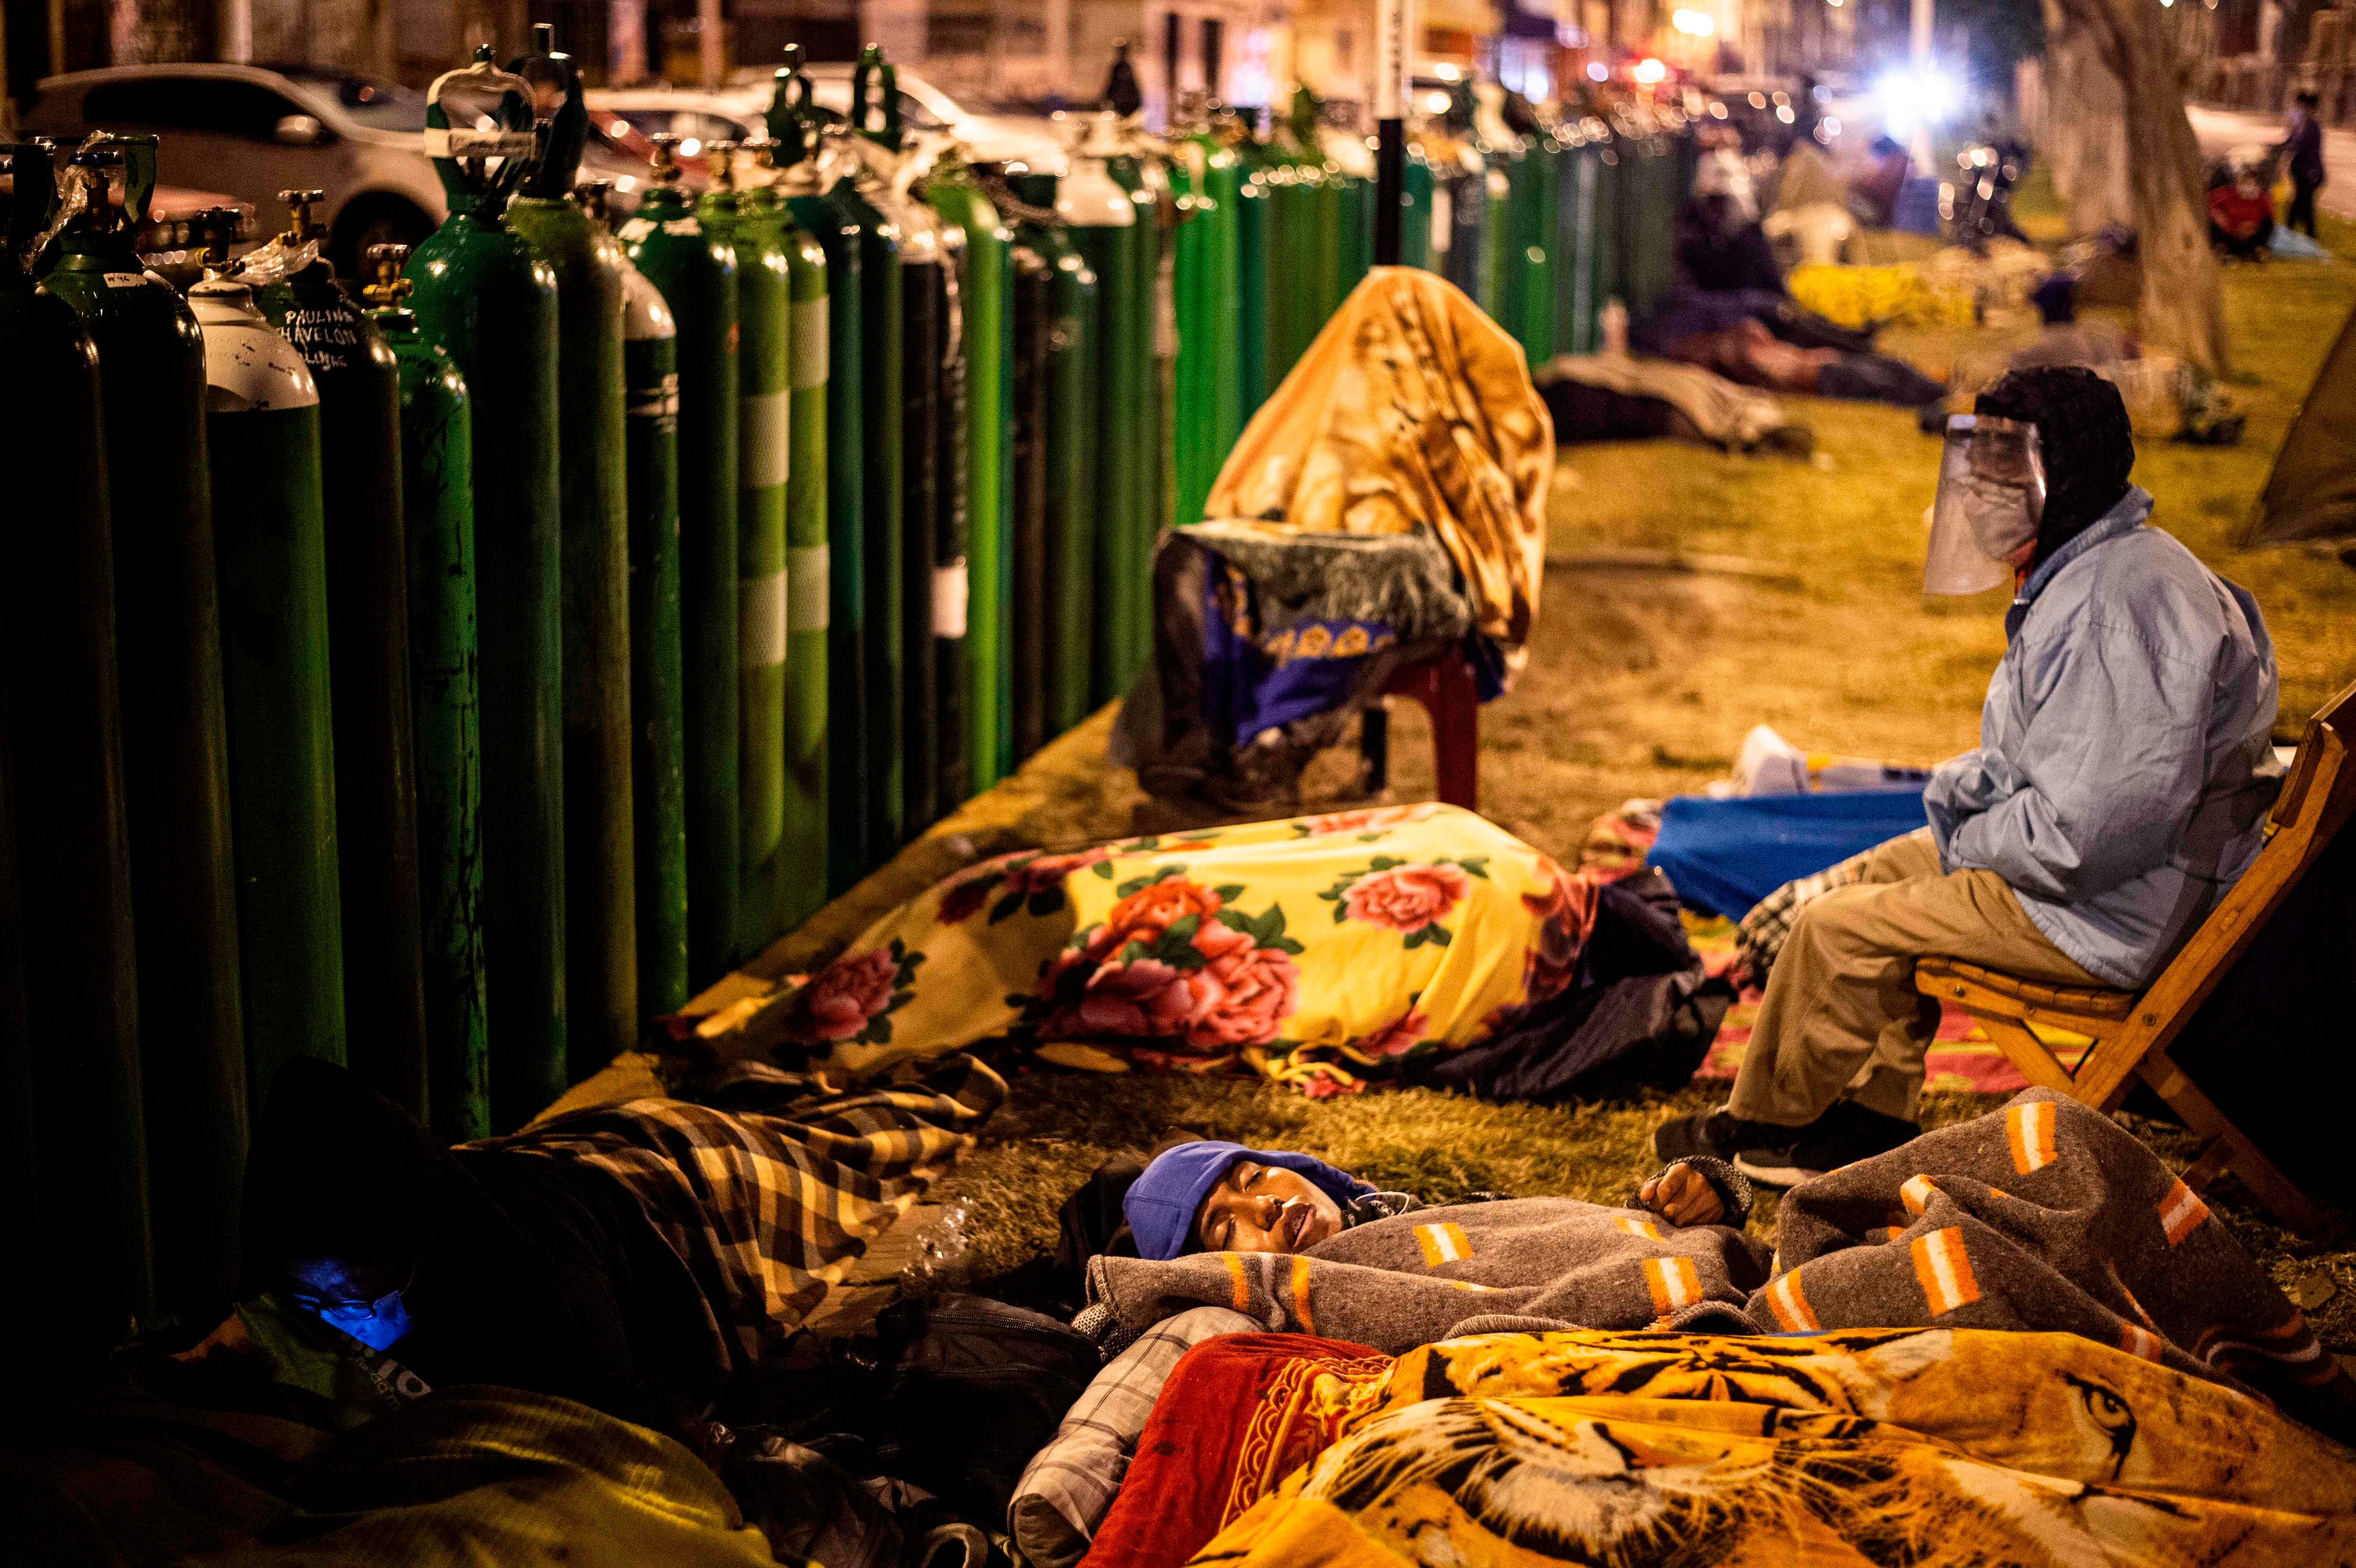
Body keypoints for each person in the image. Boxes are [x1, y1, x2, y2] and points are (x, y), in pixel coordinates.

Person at [1655, 366, 2280, 1187]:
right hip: (2123, 879)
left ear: (2061, 479)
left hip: (2109, 910)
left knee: (1836, 929)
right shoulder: (2102, 564)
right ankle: (1870, 1114)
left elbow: (2079, 839)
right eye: (1974, 465)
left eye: (1998, 470)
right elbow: (2052, 767)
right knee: (1882, 869)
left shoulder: (2109, 612)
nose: (1975, 493)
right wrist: (1954, 815)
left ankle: (1767, 1135)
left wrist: (1967, 831)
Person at [180, 1054, 1000, 1446]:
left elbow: (623, 1444)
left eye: (360, 1298)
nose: (345, 1322)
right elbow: (263, 1320)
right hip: (554, 1158)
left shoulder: (546, 1299)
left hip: (681, 1192)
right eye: (320, 1304)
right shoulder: (314, 1257)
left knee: (854, 1152)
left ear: (422, 1249)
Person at [1111, 1139, 1749, 1263]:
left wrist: (1706, 1191)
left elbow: (1575, 1230)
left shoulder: (1424, 1215)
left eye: (1255, 1181)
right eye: (1226, 1233)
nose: (1266, 1209)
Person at [2280, 89, 2326, 239]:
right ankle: (2305, 234)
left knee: (2302, 204)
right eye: (2298, 107)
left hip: (2310, 174)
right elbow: (2288, 143)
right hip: (2300, 172)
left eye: (2303, 107)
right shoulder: (2299, 126)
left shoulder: (2313, 128)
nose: (2299, 110)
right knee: (2303, 205)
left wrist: (2294, 127)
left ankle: (2298, 233)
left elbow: (2300, 146)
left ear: (2311, 109)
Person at [2209, 165, 2278, 258]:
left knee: (2268, 224)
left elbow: (2269, 218)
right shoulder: (2227, 193)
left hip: (2251, 237)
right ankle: (2222, 248)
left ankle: (2259, 250)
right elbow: (2208, 202)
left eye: (2250, 184)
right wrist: (2219, 216)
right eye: (2243, 183)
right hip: (2230, 235)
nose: (2246, 188)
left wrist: (2253, 227)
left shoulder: (2262, 198)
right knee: (2213, 225)